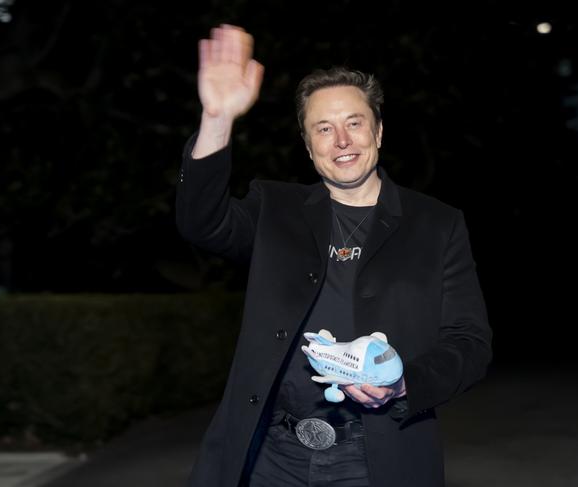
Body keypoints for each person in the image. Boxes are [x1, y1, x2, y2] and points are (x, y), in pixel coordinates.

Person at [177, 24, 492, 487]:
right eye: (323, 128)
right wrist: (217, 118)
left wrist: (406, 383)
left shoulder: (437, 224)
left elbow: (470, 341)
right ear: (308, 147)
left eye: (354, 123)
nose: (341, 140)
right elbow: (201, 223)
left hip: (377, 456)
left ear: (379, 132)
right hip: (269, 455)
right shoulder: (275, 209)